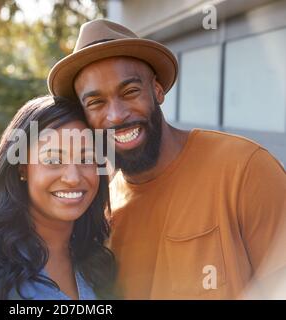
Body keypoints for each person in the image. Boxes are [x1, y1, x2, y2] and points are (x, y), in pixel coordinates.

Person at [47, 19, 286, 299]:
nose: (116, 115)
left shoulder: (244, 169)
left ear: (157, 90)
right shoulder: (102, 212)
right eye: (96, 102)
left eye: (130, 92)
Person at [0, 95, 116, 300]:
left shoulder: (99, 259)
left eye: (87, 159)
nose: (72, 177)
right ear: (22, 168)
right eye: (53, 159)